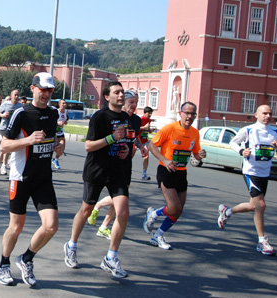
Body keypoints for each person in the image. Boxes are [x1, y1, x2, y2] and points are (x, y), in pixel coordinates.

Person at [0, 72, 65, 287]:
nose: (46, 94)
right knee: (16, 227)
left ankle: (26, 259)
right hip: (21, 178)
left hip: (43, 178)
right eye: (42, 89)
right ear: (33, 88)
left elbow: (56, 139)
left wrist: (59, 146)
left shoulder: (54, 113)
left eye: (50, 90)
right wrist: (27, 140)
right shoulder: (21, 113)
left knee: (51, 226)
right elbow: (4, 145)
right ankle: (4, 264)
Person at [63, 81, 131, 278]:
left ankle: (111, 258)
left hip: (117, 170)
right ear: (107, 97)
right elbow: (89, 146)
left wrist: (125, 150)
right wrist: (111, 138)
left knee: (124, 212)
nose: (121, 95)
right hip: (96, 170)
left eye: (122, 92)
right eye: (116, 92)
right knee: (86, 210)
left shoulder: (125, 117)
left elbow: (123, 142)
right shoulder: (99, 117)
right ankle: (72, 245)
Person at [217, 104, 277, 255]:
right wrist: (241, 150)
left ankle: (227, 212)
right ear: (256, 115)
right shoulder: (248, 130)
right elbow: (233, 142)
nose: (267, 116)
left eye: (269, 114)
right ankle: (262, 241)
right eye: (264, 113)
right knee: (261, 204)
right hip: (251, 172)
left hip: (265, 173)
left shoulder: (275, 131)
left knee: (254, 206)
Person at [143, 102, 206, 250]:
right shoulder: (170, 129)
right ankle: (154, 214)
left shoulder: (195, 133)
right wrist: (164, 160)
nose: (189, 117)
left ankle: (157, 235)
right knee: (173, 207)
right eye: (187, 113)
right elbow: (152, 144)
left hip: (181, 172)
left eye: (193, 114)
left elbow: (196, 154)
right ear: (180, 113)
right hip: (166, 171)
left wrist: (200, 155)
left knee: (178, 210)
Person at [87, 91, 148, 240]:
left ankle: (103, 226)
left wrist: (140, 146)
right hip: (110, 162)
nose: (134, 105)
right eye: (131, 102)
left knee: (122, 197)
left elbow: (133, 138)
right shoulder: (114, 118)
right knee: (120, 197)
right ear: (123, 102)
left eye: (136, 102)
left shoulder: (136, 120)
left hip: (126, 162)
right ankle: (98, 206)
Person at [0, 89, 23, 175]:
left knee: (6, 149)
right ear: (11, 96)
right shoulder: (5, 104)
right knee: (5, 148)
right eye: (15, 95)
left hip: (14, 129)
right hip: (4, 128)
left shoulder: (20, 106)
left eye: (17, 95)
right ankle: (2, 165)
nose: (16, 97)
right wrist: (3, 115)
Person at [53, 99, 69, 170]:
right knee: (53, 148)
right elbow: (51, 121)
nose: (64, 105)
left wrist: (65, 122)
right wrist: (58, 123)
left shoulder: (66, 111)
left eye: (65, 103)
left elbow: (65, 119)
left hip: (61, 132)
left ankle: (55, 159)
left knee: (62, 149)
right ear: (59, 105)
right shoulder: (56, 112)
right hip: (54, 133)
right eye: (63, 103)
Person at [139, 106, 154, 181]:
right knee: (130, 156)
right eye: (149, 113)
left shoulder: (149, 120)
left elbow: (147, 129)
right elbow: (136, 128)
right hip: (137, 140)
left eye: (151, 113)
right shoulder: (140, 119)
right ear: (144, 113)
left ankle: (144, 174)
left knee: (146, 156)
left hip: (144, 140)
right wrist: (144, 127)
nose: (150, 115)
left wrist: (150, 130)